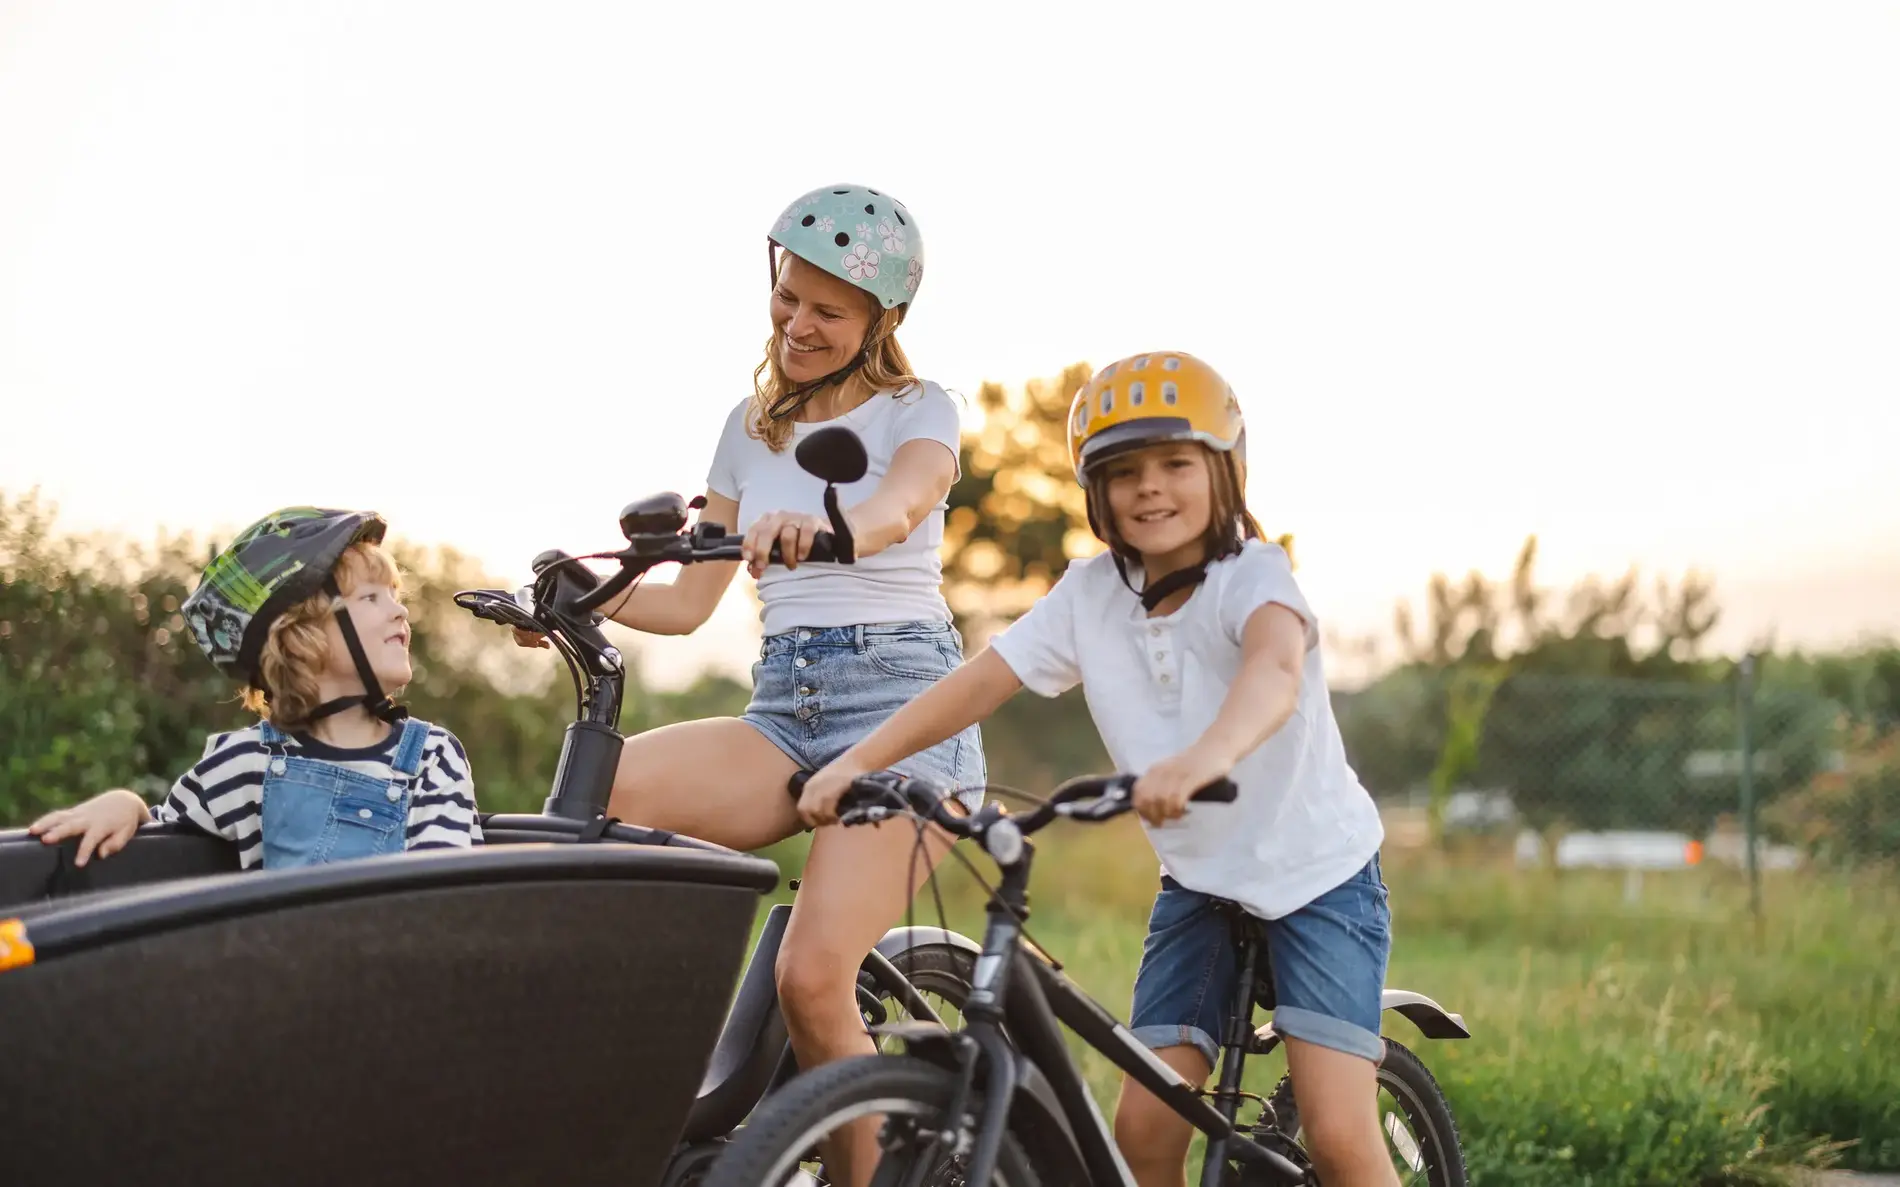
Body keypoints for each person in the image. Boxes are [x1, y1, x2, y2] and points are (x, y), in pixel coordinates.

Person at [801, 352, 1399, 1186]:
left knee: (1337, 1133)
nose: (1149, 488)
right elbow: (977, 683)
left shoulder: (1253, 577)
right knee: (1145, 1131)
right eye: (1122, 473)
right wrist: (857, 760)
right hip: (1202, 883)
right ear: (1095, 491)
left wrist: (1201, 759)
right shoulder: (1091, 595)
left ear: (1224, 470)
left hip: (1318, 877)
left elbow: (1272, 673)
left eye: (1175, 464)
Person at [515, 184, 984, 1181]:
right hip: (785, 707)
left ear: (878, 322)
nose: (799, 323)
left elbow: (904, 504)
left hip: (904, 711)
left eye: (829, 310)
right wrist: (577, 599)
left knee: (814, 976)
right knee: (595, 802)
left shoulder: (919, 408)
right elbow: (689, 604)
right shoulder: (748, 424)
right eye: (790, 297)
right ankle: (654, 1082)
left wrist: (834, 529)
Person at [30, 508, 482, 870]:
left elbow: (443, 900)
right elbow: (167, 848)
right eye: (371, 597)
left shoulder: (431, 758)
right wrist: (127, 806)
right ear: (302, 637)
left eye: (396, 596)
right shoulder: (246, 765)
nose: (400, 612)